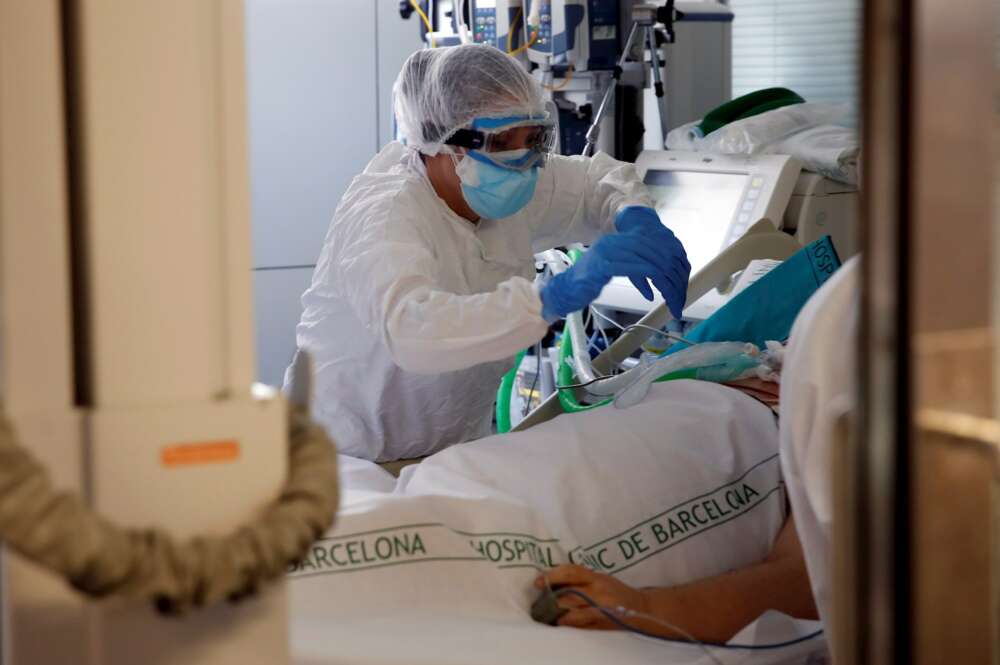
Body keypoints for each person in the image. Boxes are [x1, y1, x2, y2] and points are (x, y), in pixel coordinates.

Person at [286, 44, 690, 462]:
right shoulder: (386, 214)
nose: (525, 160)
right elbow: (413, 332)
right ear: (442, 141)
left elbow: (594, 182)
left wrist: (635, 215)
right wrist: (550, 299)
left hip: (450, 456)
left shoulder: (508, 179)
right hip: (345, 464)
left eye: (534, 138)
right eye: (502, 142)